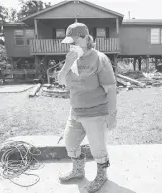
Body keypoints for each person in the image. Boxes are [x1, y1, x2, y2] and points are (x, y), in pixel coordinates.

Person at [57, 22, 117, 193]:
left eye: (74, 40)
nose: (71, 44)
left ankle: (101, 175)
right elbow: (61, 81)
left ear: (84, 38)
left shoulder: (99, 59)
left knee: (98, 149)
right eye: (69, 41)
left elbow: (111, 89)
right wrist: (67, 64)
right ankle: (78, 170)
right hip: (75, 112)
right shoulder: (71, 58)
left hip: (96, 113)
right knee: (70, 143)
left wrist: (112, 114)